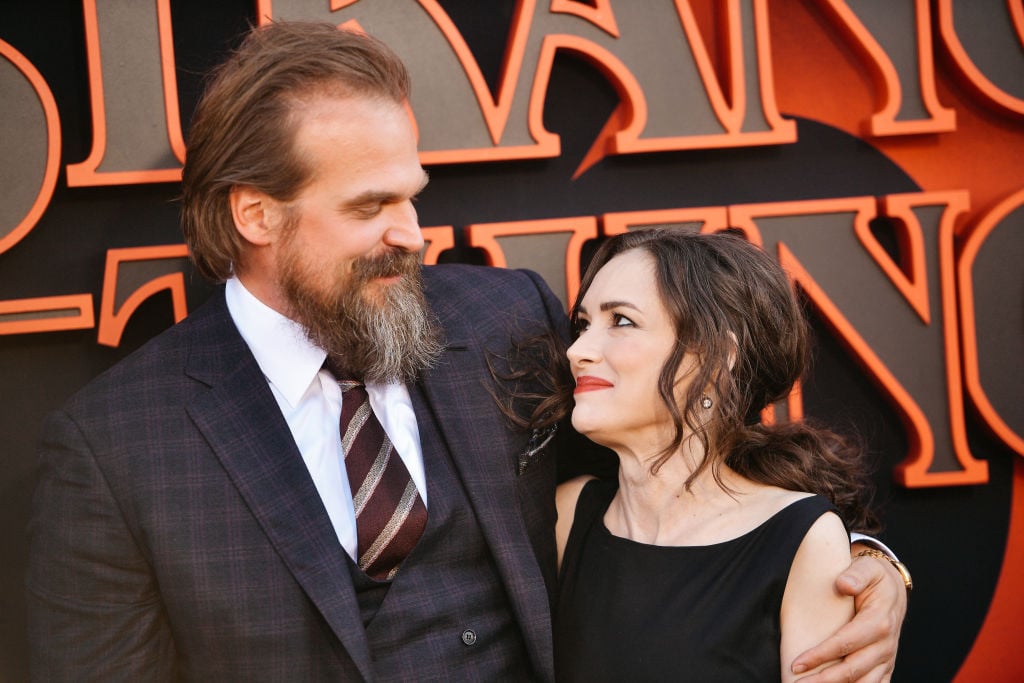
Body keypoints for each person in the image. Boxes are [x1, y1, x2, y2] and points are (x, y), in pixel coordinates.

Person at [26, 21, 906, 681]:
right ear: (256, 215)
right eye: (370, 208)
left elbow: (678, 468)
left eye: (412, 196)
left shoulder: (503, 319)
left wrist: (855, 561)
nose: (411, 233)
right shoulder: (115, 450)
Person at [551, 228, 910, 681]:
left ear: (717, 356)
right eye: (582, 324)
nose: (577, 350)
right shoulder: (567, 516)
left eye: (621, 320)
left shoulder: (803, 540)